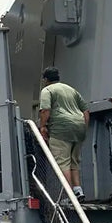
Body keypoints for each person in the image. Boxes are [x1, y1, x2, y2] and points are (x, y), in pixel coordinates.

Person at [39, 67, 89, 201]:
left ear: (45, 79)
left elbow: (45, 110)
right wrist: (84, 128)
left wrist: (42, 126)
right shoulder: (71, 90)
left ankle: (68, 196)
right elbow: (85, 111)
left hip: (60, 130)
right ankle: (78, 190)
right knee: (74, 162)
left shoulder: (47, 90)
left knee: (63, 163)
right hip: (79, 128)